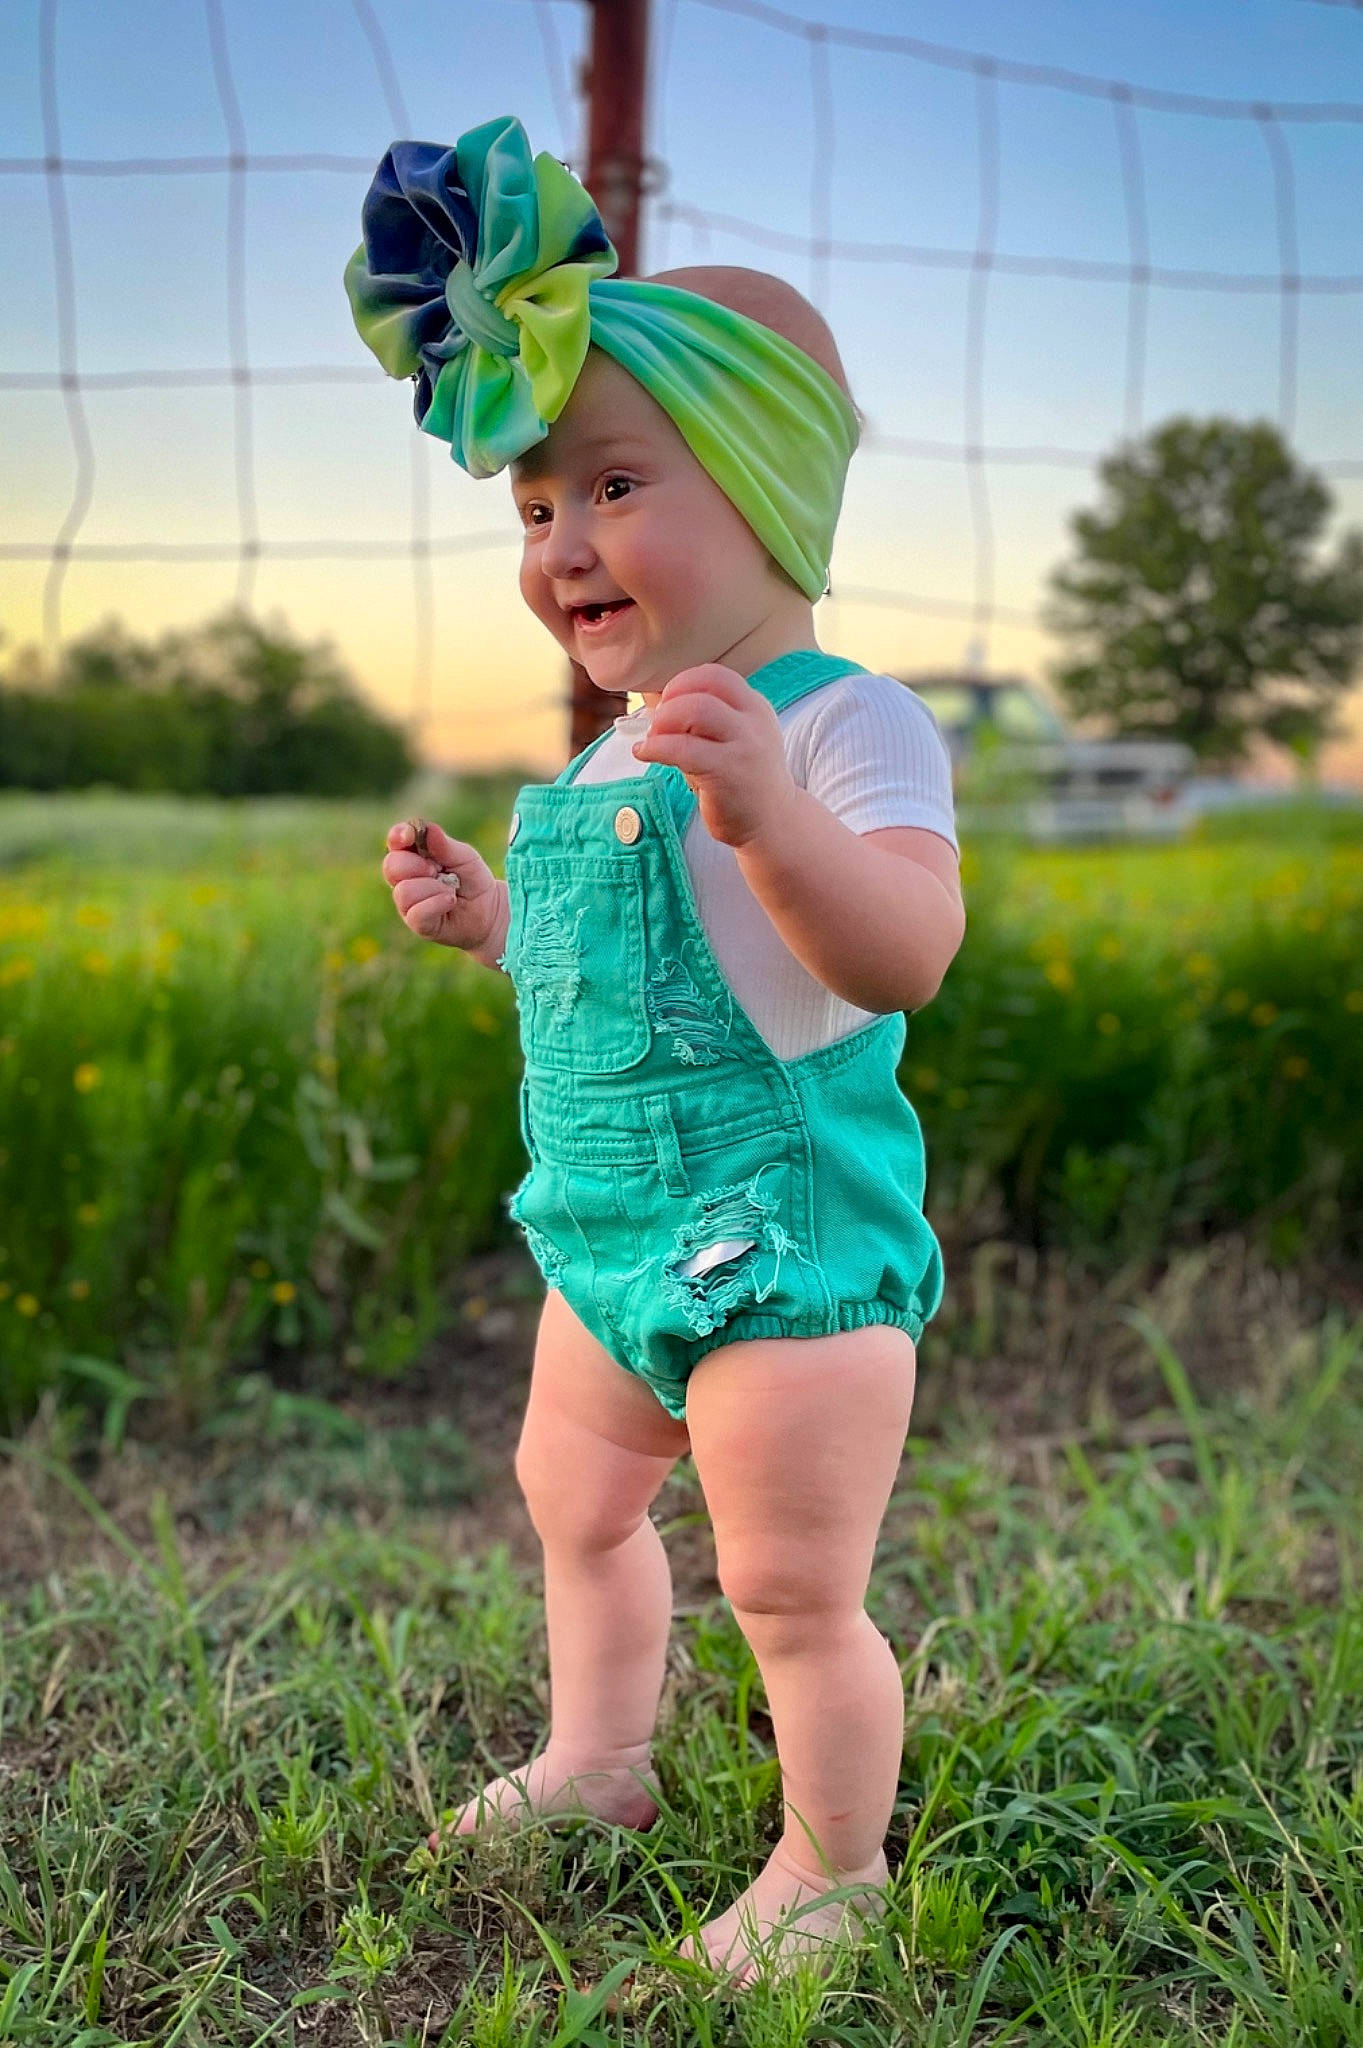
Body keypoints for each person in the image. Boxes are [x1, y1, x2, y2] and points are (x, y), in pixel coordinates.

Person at [357, 115, 965, 1989]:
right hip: (610, 1237)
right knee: (577, 1502)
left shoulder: (845, 722)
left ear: (767, 489)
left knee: (789, 1583)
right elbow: (610, 981)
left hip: (785, 1246)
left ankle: (833, 1872)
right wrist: (492, 926)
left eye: (613, 486)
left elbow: (903, 956)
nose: (563, 545)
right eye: (536, 510)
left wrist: (777, 819)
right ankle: (597, 1757)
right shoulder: (612, 751)